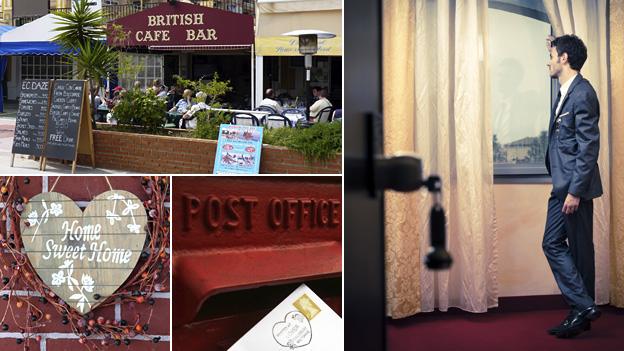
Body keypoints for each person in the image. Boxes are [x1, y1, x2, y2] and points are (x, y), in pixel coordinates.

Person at [542, 34, 602, 339]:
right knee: (552, 243)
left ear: (564, 58)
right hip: (561, 186)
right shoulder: (567, 90)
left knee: (580, 252)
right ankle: (584, 306)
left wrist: (576, 191)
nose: (548, 59)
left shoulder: (582, 93)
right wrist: (553, 42)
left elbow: (588, 146)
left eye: (552, 54)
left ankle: (581, 313)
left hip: (573, 188)